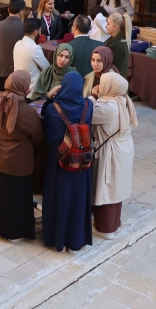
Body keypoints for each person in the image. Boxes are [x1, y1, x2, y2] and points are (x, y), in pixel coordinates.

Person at [0, 70, 44, 241]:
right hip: (17, 163)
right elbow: (37, 137)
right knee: (14, 200)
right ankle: (13, 233)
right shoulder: (26, 112)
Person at [41, 73, 93, 253]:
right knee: (78, 200)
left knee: (59, 198)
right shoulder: (88, 106)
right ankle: (75, 241)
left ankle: (57, 239)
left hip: (59, 160)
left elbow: (47, 127)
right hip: (82, 162)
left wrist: (49, 97)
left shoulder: (52, 109)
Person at [90, 72, 137, 239]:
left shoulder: (108, 107)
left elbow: (85, 114)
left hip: (111, 151)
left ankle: (105, 228)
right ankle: (113, 224)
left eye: (102, 83)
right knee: (117, 188)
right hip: (123, 148)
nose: (99, 86)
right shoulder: (124, 100)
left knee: (107, 188)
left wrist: (93, 96)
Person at [0, 0, 27, 92]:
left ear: (8, 10)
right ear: (21, 12)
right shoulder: (25, 27)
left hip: (0, 68)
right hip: (17, 69)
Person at [13, 18, 51, 100]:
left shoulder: (17, 44)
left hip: (19, 88)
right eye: (40, 30)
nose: (41, 33)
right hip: (32, 92)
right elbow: (47, 68)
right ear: (35, 32)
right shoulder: (34, 48)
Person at [104, 12, 131, 78]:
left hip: (114, 81)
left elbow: (112, 67)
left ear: (115, 27)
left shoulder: (117, 45)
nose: (105, 26)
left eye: (108, 24)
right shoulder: (116, 41)